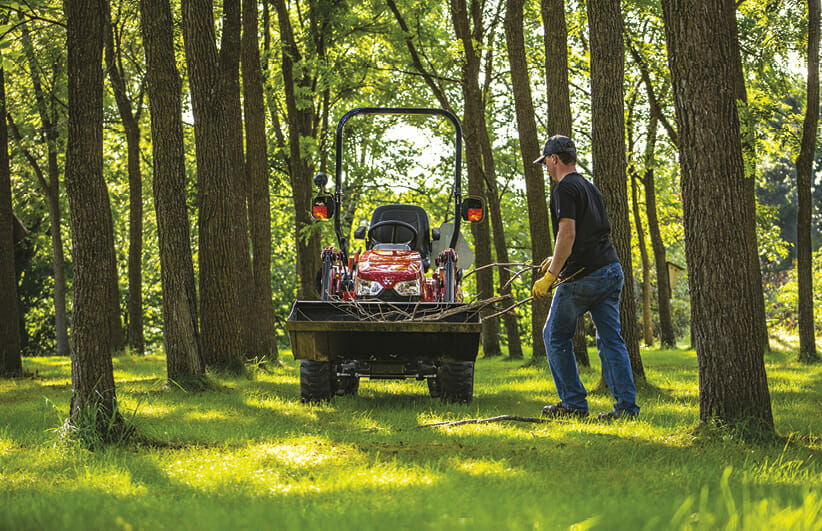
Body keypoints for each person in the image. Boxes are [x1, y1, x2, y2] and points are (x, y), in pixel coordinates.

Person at [531, 135, 639, 420]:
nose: (545, 168)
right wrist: (554, 259)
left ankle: (574, 405)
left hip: (584, 277)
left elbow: (568, 233)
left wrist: (552, 275)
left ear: (554, 158)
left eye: (545, 162)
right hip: (611, 270)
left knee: (554, 335)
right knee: (611, 340)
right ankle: (627, 410)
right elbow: (589, 233)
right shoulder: (590, 187)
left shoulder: (564, 188)